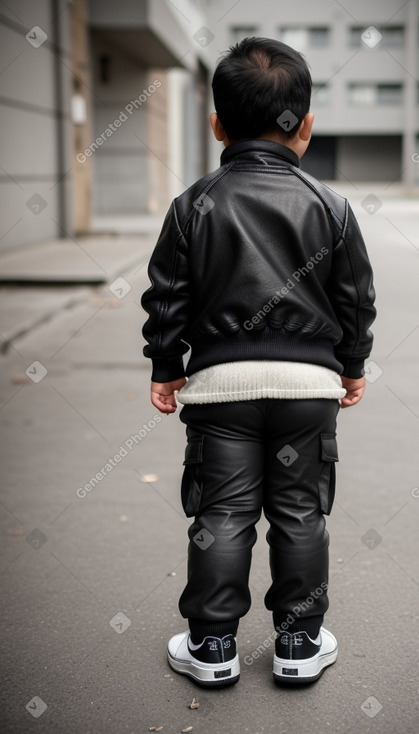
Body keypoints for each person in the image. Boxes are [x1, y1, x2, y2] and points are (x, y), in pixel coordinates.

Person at [141, 37, 376, 688]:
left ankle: (212, 646)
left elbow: (167, 297)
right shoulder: (329, 207)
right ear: (304, 126)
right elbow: (354, 298)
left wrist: (166, 366)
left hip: (221, 391)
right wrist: (350, 365)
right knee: (301, 512)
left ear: (216, 123)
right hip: (308, 388)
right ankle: (298, 641)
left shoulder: (194, 204)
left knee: (221, 516)